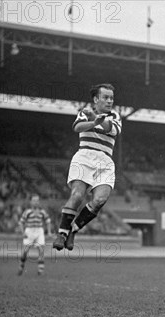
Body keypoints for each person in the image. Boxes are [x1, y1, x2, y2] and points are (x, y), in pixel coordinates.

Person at [53, 83, 121, 251]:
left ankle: (73, 230)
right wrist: (92, 121)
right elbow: (76, 127)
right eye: (105, 97)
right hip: (84, 156)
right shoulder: (85, 111)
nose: (109, 101)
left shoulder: (114, 115)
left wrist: (97, 120)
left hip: (104, 161)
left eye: (111, 98)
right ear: (96, 99)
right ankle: (62, 234)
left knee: (99, 200)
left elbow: (111, 129)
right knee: (77, 196)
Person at [18, 194, 51, 275]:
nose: (36, 202)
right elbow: (21, 223)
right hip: (29, 231)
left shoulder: (42, 212)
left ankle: (40, 270)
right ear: (31, 202)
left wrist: (49, 232)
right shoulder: (27, 212)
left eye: (37, 200)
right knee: (25, 251)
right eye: (34, 200)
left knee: (41, 250)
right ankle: (21, 266)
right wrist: (23, 233)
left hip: (39, 231)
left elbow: (48, 221)